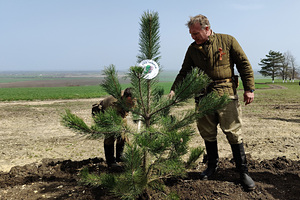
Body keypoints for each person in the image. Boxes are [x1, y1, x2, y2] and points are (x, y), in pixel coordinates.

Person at [169, 14, 255, 190]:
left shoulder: (228, 40)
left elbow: (244, 64)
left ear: (207, 29)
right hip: (203, 97)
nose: (192, 36)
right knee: (207, 133)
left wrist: (249, 89)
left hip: (225, 95)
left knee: (233, 132)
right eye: (191, 34)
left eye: (195, 33)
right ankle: (212, 166)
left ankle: (243, 172)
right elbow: (184, 71)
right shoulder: (192, 49)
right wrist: (173, 90)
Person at [92, 88, 133, 169]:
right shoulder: (114, 104)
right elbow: (117, 123)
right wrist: (130, 145)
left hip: (120, 114)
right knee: (110, 136)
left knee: (122, 136)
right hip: (104, 114)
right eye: (129, 102)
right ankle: (110, 162)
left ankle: (119, 157)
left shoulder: (130, 95)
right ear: (125, 98)